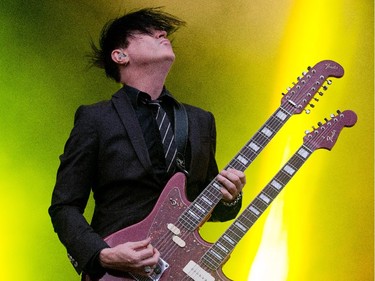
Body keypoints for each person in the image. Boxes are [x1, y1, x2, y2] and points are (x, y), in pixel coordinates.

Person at [48, 7, 246, 280]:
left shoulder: (200, 120)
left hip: (178, 270)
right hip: (117, 272)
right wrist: (103, 254)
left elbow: (206, 206)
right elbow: (64, 206)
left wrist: (231, 196)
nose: (163, 34)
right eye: (147, 31)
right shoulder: (96, 118)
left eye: (163, 31)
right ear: (120, 55)